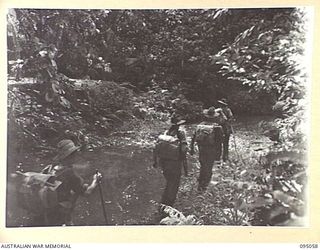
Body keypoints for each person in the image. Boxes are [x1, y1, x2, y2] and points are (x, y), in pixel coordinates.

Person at [41, 139, 101, 226]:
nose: (76, 155)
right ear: (70, 155)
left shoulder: (49, 168)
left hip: (47, 212)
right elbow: (87, 192)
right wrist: (95, 181)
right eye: (74, 153)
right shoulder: (69, 173)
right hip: (62, 215)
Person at [153, 116, 188, 207]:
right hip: (174, 162)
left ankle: (163, 202)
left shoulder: (166, 133)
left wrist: (155, 161)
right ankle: (169, 205)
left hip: (164, 162)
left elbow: (156, 147)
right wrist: (185, 167)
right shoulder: (180, 133)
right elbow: (184, 150)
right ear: (179, 124)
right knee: (174, 184)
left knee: (169, 182)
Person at [190, 107, 223, 191]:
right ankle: (204, 187)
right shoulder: (217, 127)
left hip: (201, 148)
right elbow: (219, 142)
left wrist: (192, 149)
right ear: (214, 117)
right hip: (211, 149)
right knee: (209, 168)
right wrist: (219, 155)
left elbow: (193, 138)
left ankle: (200, 185)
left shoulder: (200, 125)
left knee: (203, 166)